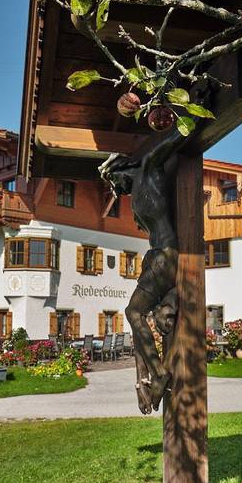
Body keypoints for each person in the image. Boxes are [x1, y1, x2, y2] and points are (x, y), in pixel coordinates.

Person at [99, 127, 186, 414]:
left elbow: (176, 137)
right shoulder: (136, 190)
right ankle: (144, 379)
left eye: (115, 181)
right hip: (154, 256)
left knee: (133, 311)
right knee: (137, 318)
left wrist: (193, 113)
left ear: (122, 167)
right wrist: (140, 381)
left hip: (166, 254)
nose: (117, 189)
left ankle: (159, 373)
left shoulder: (148, 167)